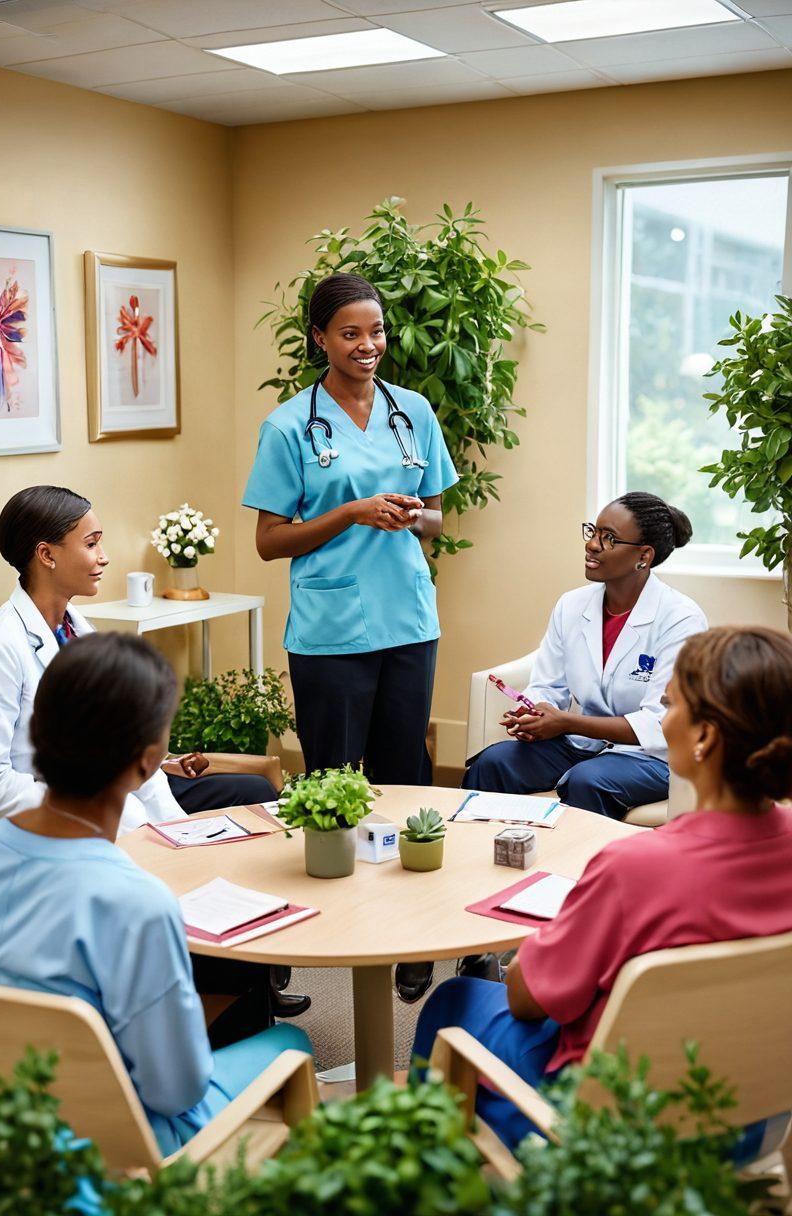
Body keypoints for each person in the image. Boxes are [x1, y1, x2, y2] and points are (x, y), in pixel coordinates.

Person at [414, 625, 792, 1152]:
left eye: (669, 707)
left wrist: (540, 950)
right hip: (750, 1122)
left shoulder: (634, 868)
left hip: (611, 1129)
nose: (664, 721)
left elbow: (527, 1001)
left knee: (453, 1001)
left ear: (704, 737)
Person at [0, 485, 308, 1018]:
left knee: (248, 797)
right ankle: (235, 996)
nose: (104, 557)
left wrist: (169, 830)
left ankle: (252, 973)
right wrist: (117, 815)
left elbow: (122, 743)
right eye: (92, 543)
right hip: (60, 818)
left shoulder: (81, 628)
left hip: (113, 799)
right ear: (46, 554)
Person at [0, 632, 312, 1155]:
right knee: (291, 1044)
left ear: (38, 733)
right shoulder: (138, 904)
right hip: (126, 1148)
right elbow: (176, 1091)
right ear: (148, 762)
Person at [243, 272, 458, 1003]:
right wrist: (351, 513)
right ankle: (331, 926)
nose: (369, 346)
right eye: (351, 333)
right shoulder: (287, 426)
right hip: (332, 627)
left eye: (377, 332)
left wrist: (408, 516)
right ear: (320, 339)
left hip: (406, 618)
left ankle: (413, 938)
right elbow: (271, 542)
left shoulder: (413, 410)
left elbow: (435, 516)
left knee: (405, 774)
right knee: (333, 780)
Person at [465, 492, 707, 819]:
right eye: (592, 532)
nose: (592, 545)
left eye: (608, 538)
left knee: (588, 781)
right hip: (581, 745)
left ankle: (576, 871)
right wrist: (533, 712)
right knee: (492, 764)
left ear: (644, 556)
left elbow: (658, 724)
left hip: (649, 757)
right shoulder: (572, 605)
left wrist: (565, 722)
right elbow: (548, 685)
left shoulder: (680, 619)